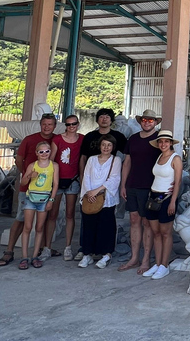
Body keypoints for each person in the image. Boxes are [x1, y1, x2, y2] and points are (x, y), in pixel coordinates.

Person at [0, 113, 57, 267]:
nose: (47, 127)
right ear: (40, 124)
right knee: (21, 218)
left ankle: (42, 249)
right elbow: (18, 159)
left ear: (54, 126)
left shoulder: (56, 140)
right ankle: (9, 250)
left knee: (44, 221)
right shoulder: (29, 139)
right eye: (44, 124)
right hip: (29, 188)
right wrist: (28, 176)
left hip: (47, 189)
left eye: (50, 124)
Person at [75, 108, 127, 261]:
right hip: (90, 181)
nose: (104, 119)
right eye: (101, 117)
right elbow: (83, 158)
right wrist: (85, 184)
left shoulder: (119, 137)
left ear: (111, 120)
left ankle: (106, 251)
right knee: (88, 218)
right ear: (97, 120)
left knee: (106, 222)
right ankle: (85, 249)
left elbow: (128, 157)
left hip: (106, 185)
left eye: (107, 117)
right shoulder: (90, 136)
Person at [118, 109, 161, 274]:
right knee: (134, 220)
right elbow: (127, 162)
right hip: (132, 185)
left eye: (151, 120)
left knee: (147, 222)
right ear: (140, 121)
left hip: (150, 186)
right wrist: (123, 184)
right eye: (144, 119)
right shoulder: (133, 139)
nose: (147, 122)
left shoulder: (159, 140)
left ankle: (145, 259)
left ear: (156, 122)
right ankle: (134, 257)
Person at [142, 130, 183, 280]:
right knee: (156, 233)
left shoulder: (175, 158)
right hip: (153, 197)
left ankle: (164, 265)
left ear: (171, 143)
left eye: (166, 141)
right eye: (161, 141)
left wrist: (173, 201)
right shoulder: (159, 156)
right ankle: (158, 263)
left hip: (166, 198)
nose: (163, 144)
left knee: (166, 233)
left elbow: (177, 181)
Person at [78, 134, 122, 269]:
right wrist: (89, 193)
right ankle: (87, 254)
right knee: (88, 225)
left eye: (109, 145)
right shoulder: (91, 160)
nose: (106, 148)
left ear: (113, 147)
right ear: (99, 145)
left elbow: (114, 179)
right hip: (89, 196)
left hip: (106, 197)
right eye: (103, 145)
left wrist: (97, 191)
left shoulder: (116, 160)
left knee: (106, 226)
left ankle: (106, 254)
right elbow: (86, 176)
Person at [45, 115, 83, 261]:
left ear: (78, 125)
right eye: (68, 124)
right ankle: (47, 248)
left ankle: (67, 247)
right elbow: (52, 160)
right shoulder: (57, 139)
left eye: (73, 124)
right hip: (58, 180)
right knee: (52, 214)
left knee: (70, 214)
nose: (71, 126)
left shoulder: (82, 139)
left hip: (73, 180)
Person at [18, 141, 59, 269]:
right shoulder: (32, 165)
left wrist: (51, 200)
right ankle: (24, 257)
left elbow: (55, 184)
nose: (44, 154)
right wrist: (30, 175)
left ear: (50, 152)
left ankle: (35, 256)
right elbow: (23, 181)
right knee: (27, 227)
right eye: (41, 151)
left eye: (47, 151)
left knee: (39, 227)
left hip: (44, 199)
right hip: (30, 198)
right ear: (36, 153)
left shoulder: (54, 166)